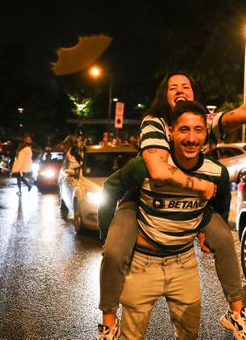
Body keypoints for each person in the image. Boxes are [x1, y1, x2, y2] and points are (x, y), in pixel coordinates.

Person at [97, 57, 246, 339]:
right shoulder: (156, 123)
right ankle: (109, 324)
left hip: (192, 198)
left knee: (222, 237)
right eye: (173, 87)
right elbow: (157, 171)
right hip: (146, 196)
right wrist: (198, 184)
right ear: (165, 99)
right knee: (114, 250)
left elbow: (244, 113)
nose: (180, 90)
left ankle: (237, 314)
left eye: (186, 86)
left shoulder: (205, 122)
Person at [99, 102, 231, 339]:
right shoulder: (147, 166)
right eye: (184, 130)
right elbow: (109, 189)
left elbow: (218, 210)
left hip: (184, 266)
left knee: (189, 336)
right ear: (170, 131)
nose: (191, 138)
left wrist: (206, 235)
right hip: (142, 265)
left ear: (206, 133)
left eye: (198, 130)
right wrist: (108, 237)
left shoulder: (217, 173)